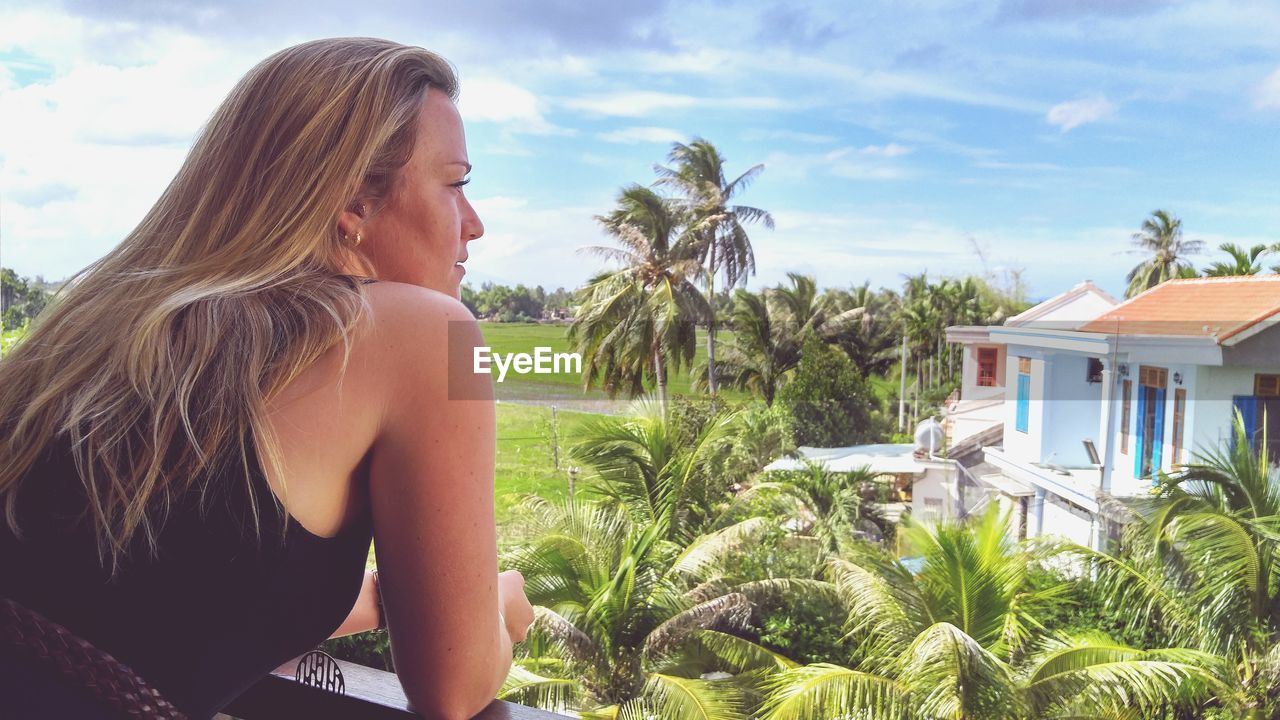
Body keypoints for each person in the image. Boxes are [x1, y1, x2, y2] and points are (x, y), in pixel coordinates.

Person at [0, 37, 534, 719]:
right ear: (353, 204)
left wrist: (378, 598)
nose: (475, 224)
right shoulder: (425, 332)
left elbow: (154, 593)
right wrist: (495, 602)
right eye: (456, 183)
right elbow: (454, 689)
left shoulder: (106, 328)